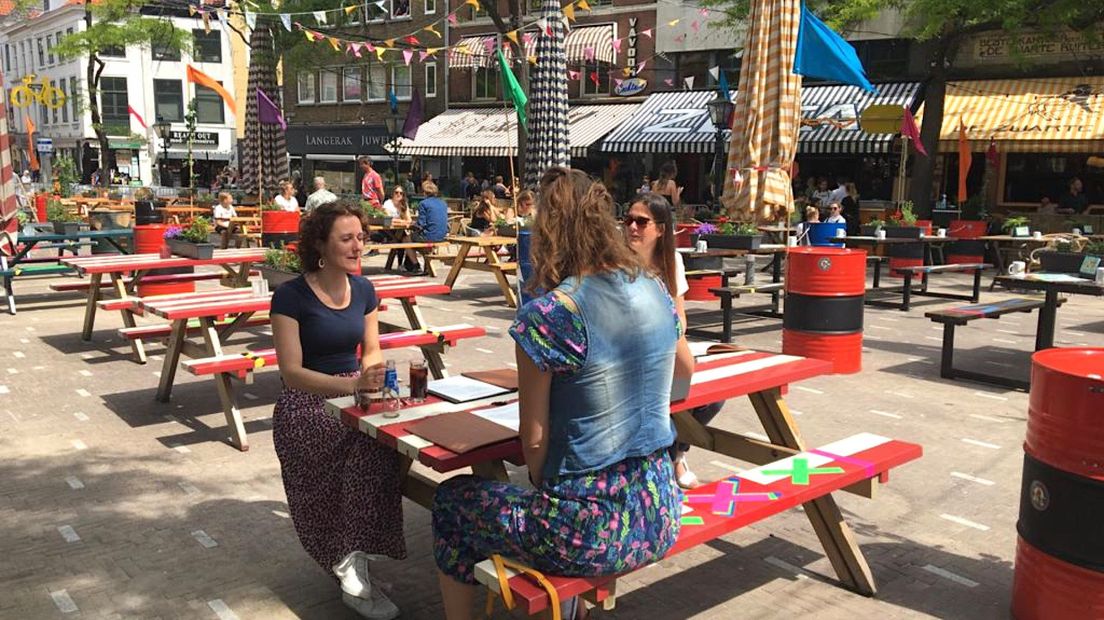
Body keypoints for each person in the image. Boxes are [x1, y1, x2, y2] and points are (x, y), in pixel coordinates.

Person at [432, 168, 689, 620]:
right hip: (661, 508)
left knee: (452, 503)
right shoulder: (656, 289)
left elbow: (534, 447)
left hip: (590, 532)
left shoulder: (550, 315)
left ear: (547, 231)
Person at [270, 201, 402, 620]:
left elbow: (372, 349)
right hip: (305, 403)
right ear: (320, 245)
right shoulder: (289, 296)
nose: (358, 245)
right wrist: (351, 386)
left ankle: (352, 558)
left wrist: (371, 376)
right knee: (365, 448)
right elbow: (292, 373)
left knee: (387, 444)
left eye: (361, 237)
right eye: (347, 238)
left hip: (352, 393)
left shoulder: (364, 290)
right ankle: (352, 563)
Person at [623, 192, 720, 488]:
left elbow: (681, 317)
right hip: (629, 358)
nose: (632, 228)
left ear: (661, 229)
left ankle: (675, 452)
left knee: (712, 397)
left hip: (666, 350)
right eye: (628, 220)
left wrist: (670, 340)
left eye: (642, 222)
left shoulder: (672, 261)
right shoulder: (616, 264)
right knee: (660, 397)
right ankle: (666, 459)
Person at [405, 181, 448, 274]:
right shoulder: (443, 203)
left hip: (430, 236)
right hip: (442, 236)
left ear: (424, 192)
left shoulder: (423, 203)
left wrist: (412, 224)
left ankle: (416, 266)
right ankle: (425, 266)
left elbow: (421, 224)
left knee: (406, 239)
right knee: (421, 240)